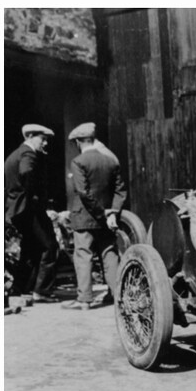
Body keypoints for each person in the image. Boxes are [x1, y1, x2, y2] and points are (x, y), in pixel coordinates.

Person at [62, 123, 127, 310]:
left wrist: (101, 212)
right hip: (107, 219)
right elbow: (120, 191)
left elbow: (83, 192)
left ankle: (85, 299)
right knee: (109, 254)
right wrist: (112, 212)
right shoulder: (110, 161)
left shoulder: (78, 162)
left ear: (78, 142)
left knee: (83, 255)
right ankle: (118, 296)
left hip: (85, 218)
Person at [4, 123, 60, 302]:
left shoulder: (14, 155)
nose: (45, 143)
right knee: (49, 246)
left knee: (30, 249)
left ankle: (21, 289)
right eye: (42, 139)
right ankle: (42, 291)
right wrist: (35, 199)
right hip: (30, 209)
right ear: (29, 137)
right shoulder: (28, 153)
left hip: (17, 209)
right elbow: (27, 172)